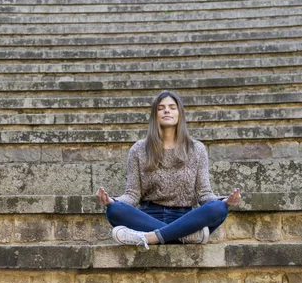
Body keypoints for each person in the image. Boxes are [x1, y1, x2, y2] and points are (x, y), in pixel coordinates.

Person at [95, 90, 241, 249]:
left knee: (219, 208)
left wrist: (225, 201)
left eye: (172, 107)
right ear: (155, 114)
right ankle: (185, 236)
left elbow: (204, 194)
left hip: (186, 218)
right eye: (161, 108)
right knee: (114, 210)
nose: (166, 110)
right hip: (147, 217)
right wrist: (112, 201)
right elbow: (132, 195)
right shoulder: (138, 150)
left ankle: (150, 237)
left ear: (180, 114)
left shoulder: (196, 149)